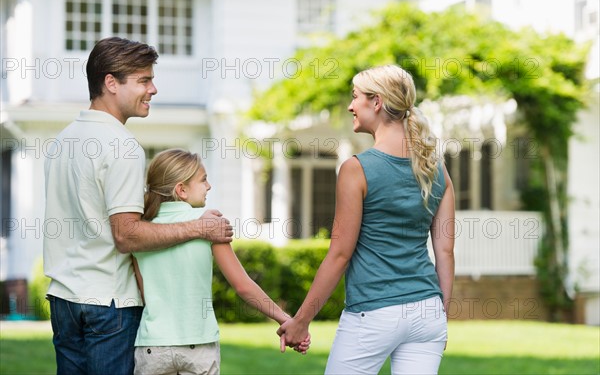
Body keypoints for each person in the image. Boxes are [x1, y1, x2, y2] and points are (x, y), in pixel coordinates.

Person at [43, 37, 233, 375]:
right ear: (111, 83)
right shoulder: (123, 146)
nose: (153, 89)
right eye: (143, 80)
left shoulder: (63, 140)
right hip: (109, 304)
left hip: (64, 301)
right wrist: (200, 227)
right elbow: (127, 236)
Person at [277, 64, 455, 374]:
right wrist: (441, 315)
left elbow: (340, 253)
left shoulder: (356, 169)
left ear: (377, 102)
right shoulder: (436, 170)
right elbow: (446, 252)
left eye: (355, 97)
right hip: (428, 311)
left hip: (374, 312)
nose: (350, 106)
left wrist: (301, 321)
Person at [132, 148, 310, 374]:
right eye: (203, 180)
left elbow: (144, 292)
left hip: (152, 347)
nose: (209, 186)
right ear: (182, 190)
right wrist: (286, 320)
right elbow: (243, 286)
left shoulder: (140, 232)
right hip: (198, 345)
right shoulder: (210, 226)